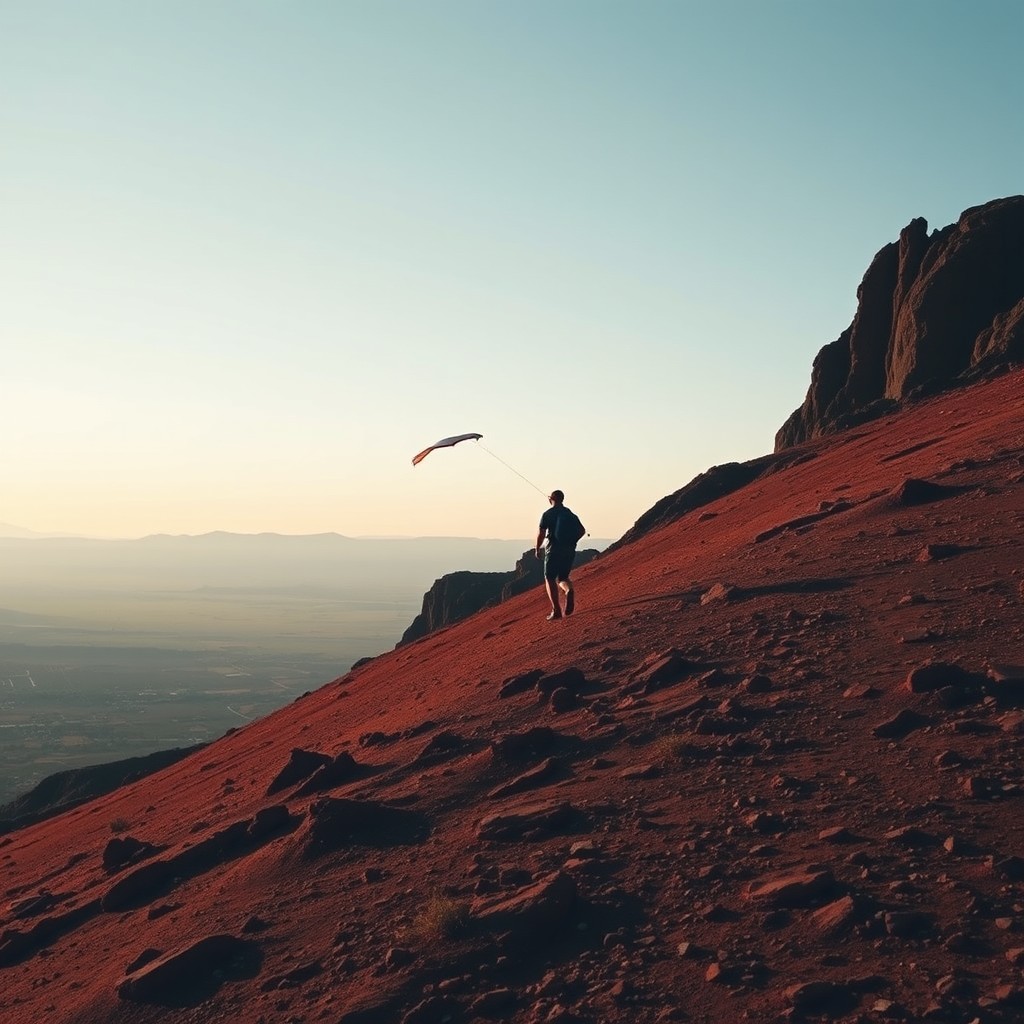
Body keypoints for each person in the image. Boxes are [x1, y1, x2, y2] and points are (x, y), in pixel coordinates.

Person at [535, 489, 584, 621]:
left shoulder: (548, 514)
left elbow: (541, 533)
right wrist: (571, 542)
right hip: (569, 550)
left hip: (553, 550)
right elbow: (582, 530)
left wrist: (537, 548)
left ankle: (556, 611)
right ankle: (568, 590)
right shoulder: (569, 513)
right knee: (563, 577)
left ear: (552, 499)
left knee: (550, 578)